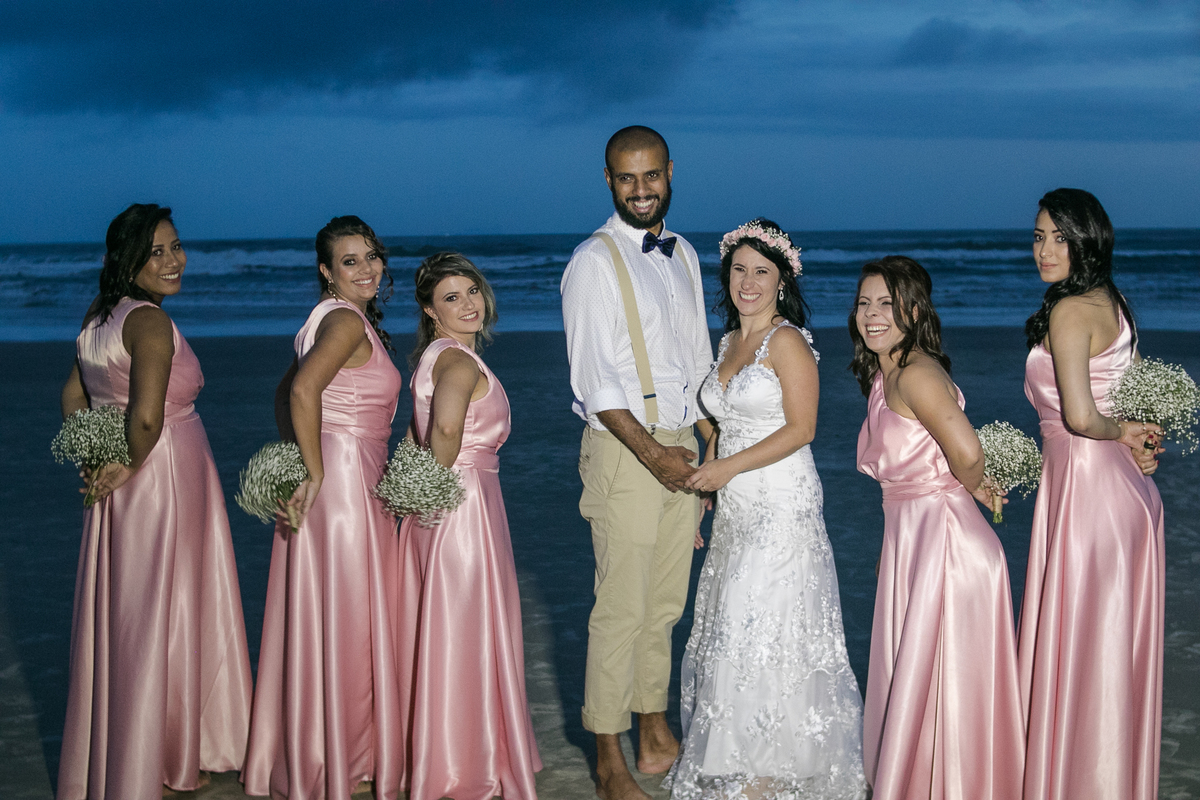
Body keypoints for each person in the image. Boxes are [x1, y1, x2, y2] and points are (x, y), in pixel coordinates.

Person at [664, 219, 867, 799]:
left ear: (782, 281)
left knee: (769, 621)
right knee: (733, 621)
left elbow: (803, 428)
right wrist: (706, 490)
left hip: (780, 499)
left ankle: (773, 771)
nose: (748, 282)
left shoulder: (787, 341)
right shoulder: (729, 341)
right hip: (735, 504)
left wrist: (726, 469)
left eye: (761, 271)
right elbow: (721, 424)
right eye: (739, 270)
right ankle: (743, 760)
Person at [56, 204, 253, 800]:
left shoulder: (99, 316)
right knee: (170, 610)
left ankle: (135, 753)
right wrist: (130, 460)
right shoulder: (149, 324)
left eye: (175, 246)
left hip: (121, 487)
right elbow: (146, 417)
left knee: (130, 615)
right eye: (156, 252)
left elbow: (73, 394)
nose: (173, 261)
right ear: (128, 260)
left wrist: (94, 456)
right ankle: (163, 762)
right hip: (163, 475)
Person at [560, 125, 713, 800]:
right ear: (608, 180)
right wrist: (655, 457)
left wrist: (712, 446)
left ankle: (653, 728)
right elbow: (595, 384)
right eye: (627, 178)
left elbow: (697, 358)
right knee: (620, 607)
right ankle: (607, 754)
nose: (641, 189)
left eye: (651, 175)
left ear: (670, 172)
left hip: (683, 444)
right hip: (628, 451)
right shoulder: (592, 262)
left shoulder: (685, 255)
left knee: (665, 604)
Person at [242, 216, 403, 800]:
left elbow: (282, 395)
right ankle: (347, 757)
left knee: (329, 616)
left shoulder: (328, 318)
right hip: (345, 483)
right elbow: (303, 390)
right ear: (327, 271)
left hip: (337, 472)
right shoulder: (342, 320)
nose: (366, 268)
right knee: (352, 620)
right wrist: (313, 470)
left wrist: (302, 458)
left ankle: (328, 750)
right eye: (350, 261)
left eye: (371, 256)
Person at [852, 256, 1024, 800]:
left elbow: (967, 452)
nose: (872, 314)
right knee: (923, 683)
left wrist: (969, 488)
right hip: (916, 541)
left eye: (887, 303)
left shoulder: (915, 373)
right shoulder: (886, 374)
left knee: (949, 686)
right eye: (864, 303)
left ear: (915, 310)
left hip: (947, 547)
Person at [1018, 188, 1164, 800]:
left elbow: (1081, 417)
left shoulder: (1071, 311)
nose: (1045, 250)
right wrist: (1140, 440)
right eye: (1038, 237)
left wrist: (1123, 431)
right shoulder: (1115, 303)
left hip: (1087, 493)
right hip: (1125, 494)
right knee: (1107, 649)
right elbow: (1132, 393)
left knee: (1083, 647)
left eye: (1060, 237)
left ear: (1087, 241)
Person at [395, 253, 542, 800]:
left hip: (448, 506)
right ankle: (464, 767)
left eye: (472, 290)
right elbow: (444, 432)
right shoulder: (457, 362)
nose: (468, 304)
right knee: (466, 634)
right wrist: (429, 493)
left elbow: (413, 435)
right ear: (431, 311)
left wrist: (408, 496)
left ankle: (449, 754)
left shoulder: (432, 359)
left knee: (449, 632)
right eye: (451, 298)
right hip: (463, 510)